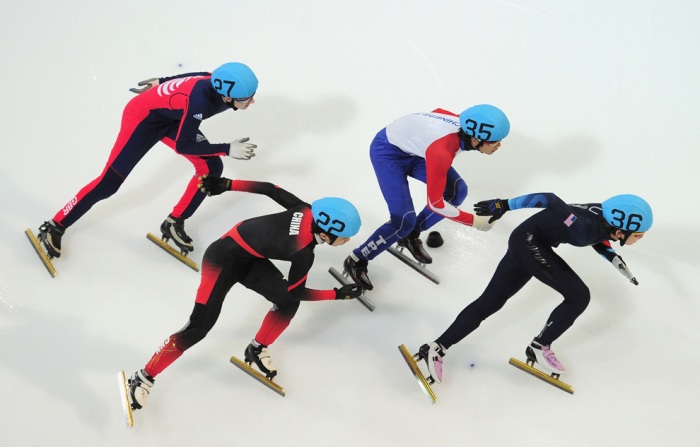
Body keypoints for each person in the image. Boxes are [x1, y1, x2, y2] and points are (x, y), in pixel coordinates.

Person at [125, 176, 363, 411]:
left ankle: (256, 349)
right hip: (221, 259)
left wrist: (228, 184)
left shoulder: (306, 210)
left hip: (250, 259)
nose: (347, 241)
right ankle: (143, 377)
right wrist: (338, 294)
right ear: (325, 235)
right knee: (199, 327)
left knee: (286, 302)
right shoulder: (303, 253)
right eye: (345, 237)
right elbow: (298, 292)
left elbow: (270, 189)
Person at [418, 192, 653, 382]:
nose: (640, 239)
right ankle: (540, 347)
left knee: (490, 302)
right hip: (529, 242)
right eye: (639, 235)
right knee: (579, 296)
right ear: (620, 231)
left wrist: (613, 258)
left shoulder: (604, 218)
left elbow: (599, 236)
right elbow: (550, 199)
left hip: (528, 240)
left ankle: (436, 347)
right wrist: (504, 205)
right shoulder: (582, 227)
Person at [36, 62, 259, 259]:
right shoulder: (200, 102)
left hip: (173, 116)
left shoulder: (216, 81)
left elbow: (200, 74)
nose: (252, 101)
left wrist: (162, 81)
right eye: (246, 99)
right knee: (109, 182)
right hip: (143, 118)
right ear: (227, 97)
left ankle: (174, 222)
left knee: (211, 166)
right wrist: (227, 149)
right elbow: (184, 145)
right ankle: (55, 225)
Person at [343, 104, 511, 290]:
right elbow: (436, 204)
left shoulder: (461, 123)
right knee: (402, 221)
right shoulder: (441, 151)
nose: (498, 146)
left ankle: (410, 235)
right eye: (494, 142)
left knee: (457, 191)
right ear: (475, 139)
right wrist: (474, 221)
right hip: (387, 153)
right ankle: (357, 259)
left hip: (415, 151)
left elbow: (438, 111)